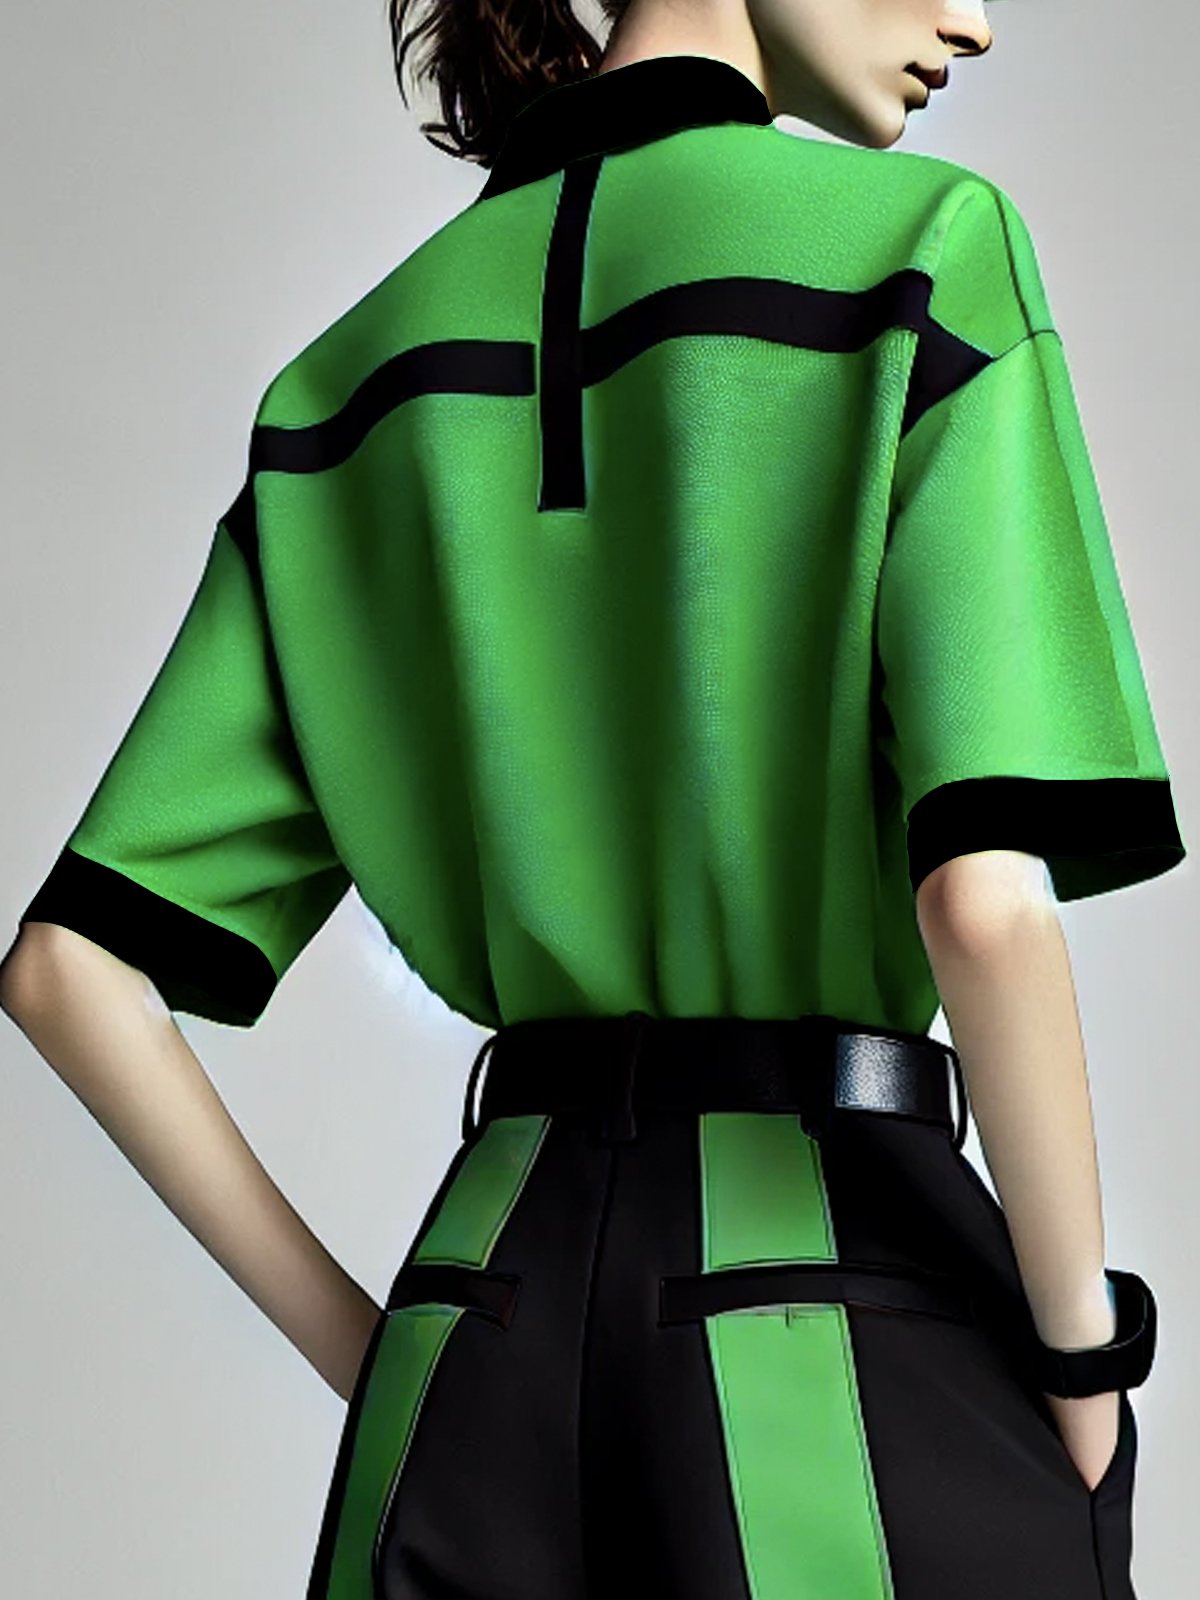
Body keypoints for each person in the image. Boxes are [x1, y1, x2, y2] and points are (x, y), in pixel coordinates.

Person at [0, 0, 1185, 1596]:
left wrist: (392, 1370)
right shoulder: (924, 255)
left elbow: (67, 966)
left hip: (482, 1311)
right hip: (839, 1308)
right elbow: (981, 904)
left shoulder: (345, 383)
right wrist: (1086, 1367)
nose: (969, 17)